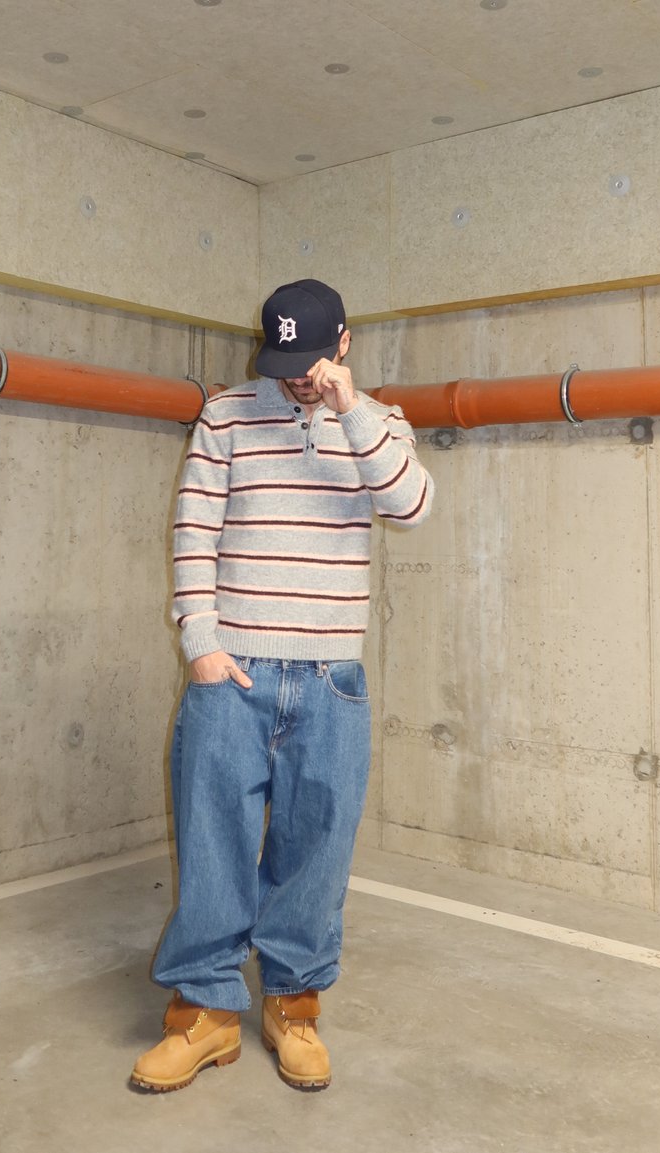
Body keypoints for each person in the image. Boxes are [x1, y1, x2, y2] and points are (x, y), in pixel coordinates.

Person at [131, 278, 434, 1093]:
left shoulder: (380, 423)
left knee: (316, 849)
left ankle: (292, 1007)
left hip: (332, 678)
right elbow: (193, 530)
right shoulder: (228, 416)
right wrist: (200, 641)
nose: (295, 376)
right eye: (283, 360)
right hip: (233, 671)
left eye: (310, 360)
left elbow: (409, 504)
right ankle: (205, 1014)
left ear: (342, 344)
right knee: (212, 841)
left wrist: (351, 409)